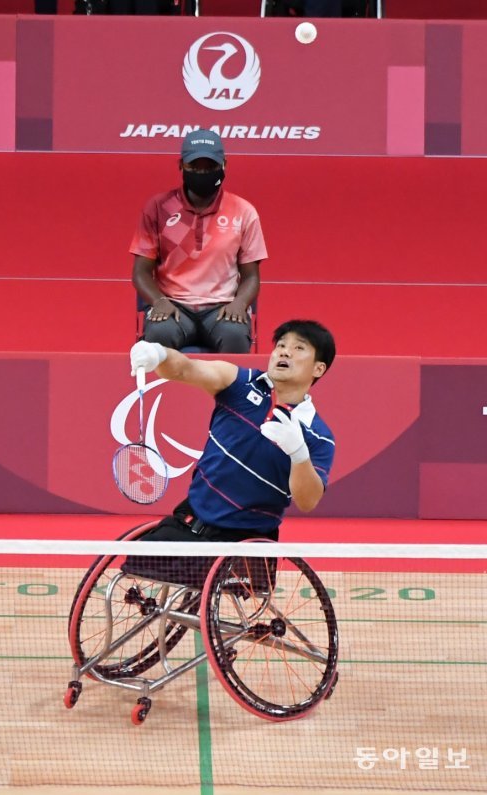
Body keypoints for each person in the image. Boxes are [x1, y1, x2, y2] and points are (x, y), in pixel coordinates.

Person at [124, 319, 336, 585]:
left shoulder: (319, 436)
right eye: (281, 345)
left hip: (244, 544)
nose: (284, 352)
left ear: (318, 368)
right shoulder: (238, 383)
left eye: (298, 348)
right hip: (190, 522)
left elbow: (308, 501)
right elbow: (185, 369)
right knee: (128, 568)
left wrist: (298, 453)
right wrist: (160, 354)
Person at [131, 129, 267, 354]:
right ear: (181, 166)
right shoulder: (158, 208)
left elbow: (251, 276)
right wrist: (158, 301)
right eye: (195, 166)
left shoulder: (243, 211)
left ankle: (230, 390)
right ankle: (165, 391)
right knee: (159, 336)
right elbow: (141, 272)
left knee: (235, 335)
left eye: (210, 166)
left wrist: (239, 303)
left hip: (221, 309)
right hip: (173, 307)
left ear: (224, 164)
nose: (202, 172)